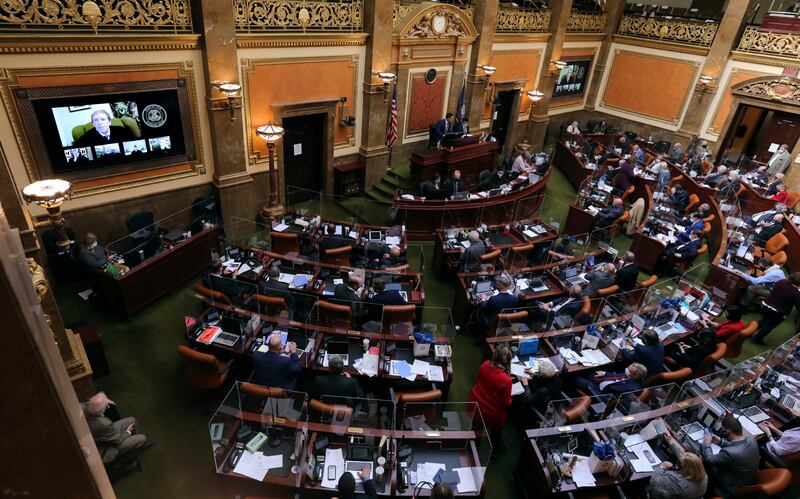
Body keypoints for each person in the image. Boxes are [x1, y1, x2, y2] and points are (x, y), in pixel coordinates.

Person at [82, 391, 153, 464]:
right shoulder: (104, 424)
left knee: (132, 420)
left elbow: (92, 403)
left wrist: (103, 402)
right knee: (142, 438)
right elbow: (117, 440)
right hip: (103, 449)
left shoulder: (81, 407)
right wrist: (127, 432)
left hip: (97, 436)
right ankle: (135, 448)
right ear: (103, 410)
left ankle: (139, 442)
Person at [469, 346, 513, 455]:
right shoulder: (506, 380)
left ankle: (473, 446)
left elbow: (479, 379)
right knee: (497, 431)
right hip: (490, 414)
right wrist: (512, 399)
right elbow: (505, 403)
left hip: (474, 404)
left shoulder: (485, 365)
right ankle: (496, 451)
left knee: (477, 427)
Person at [701, 416, 759, 498]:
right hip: (748, 480)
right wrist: (721, 441)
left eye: (723, 429)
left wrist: (706, 444)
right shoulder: (751, 440)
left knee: (704, 463)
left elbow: (710, 459)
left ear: (727, 431)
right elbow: (739, 446)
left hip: (731, 486)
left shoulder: (729, 452)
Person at [650, 433, 707, 499]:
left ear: (685, 468)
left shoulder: (677, 482)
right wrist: (671, 442)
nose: (680, 455)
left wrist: (662, 467)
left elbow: (654, 481)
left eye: (681, 463)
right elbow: (685, 457)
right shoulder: (702, 474)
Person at [753, 273, 800, 344]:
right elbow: (798, 306)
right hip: (778, 311)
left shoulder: (782, 281)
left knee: (764, 320)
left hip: (766, 304)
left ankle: (749, 331)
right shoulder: (796, 293)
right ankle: (757, 339)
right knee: (769, 326)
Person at [573, 362, 648, 398]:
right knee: (586, 368)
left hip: (600, 392)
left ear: (636, 376)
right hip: (602, 380)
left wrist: (600, 381)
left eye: (629, 371)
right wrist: (605, 373)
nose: (626, 371)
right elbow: (616, 377)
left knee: (575, 377)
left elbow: (613, 392)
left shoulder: (632, 389)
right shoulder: (631, 375)